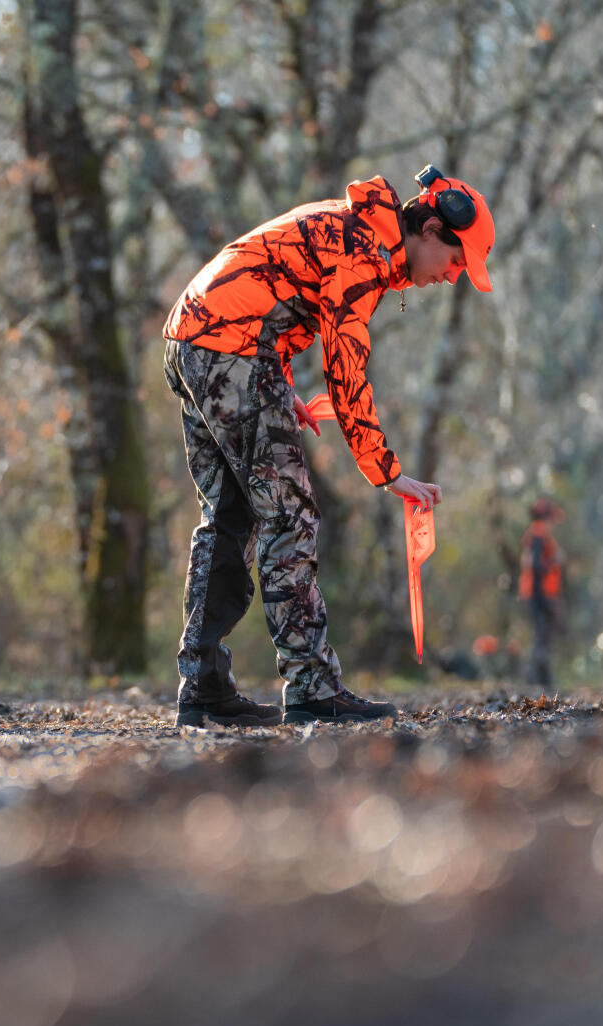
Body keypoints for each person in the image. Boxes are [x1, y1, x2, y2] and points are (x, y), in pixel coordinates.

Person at [162, 165, 495, 727]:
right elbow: (347, 370)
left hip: (196, 342)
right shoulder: (364, 249)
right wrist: (386, 471)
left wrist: (278, 385)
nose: (453, 276)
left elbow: (273, 293)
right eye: (458, 261)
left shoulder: (355, 230)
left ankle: (203, 687)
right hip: (230, 351)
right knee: (290, 518)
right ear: (432, 230)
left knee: (229, 518)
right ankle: (313, 686)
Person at [518, 496, 563, 689]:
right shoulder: (539, 533)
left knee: (544, 634)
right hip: (539, 593)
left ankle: (542, 679)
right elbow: (536, 565)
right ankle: (534, 678)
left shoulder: (538, 533)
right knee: (542, 633)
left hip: (540, 592)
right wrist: (555, 561)